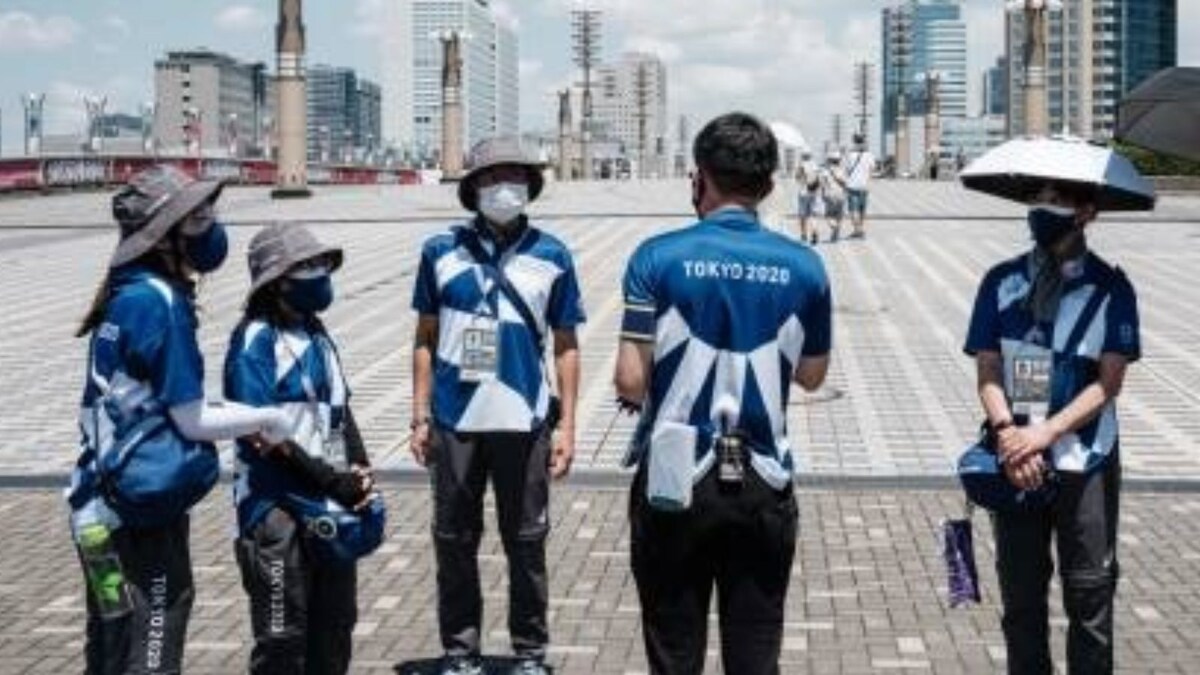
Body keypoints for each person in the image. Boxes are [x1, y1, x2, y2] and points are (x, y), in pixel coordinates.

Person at [614, 112, 832, 674]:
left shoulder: (655, 257)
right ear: (766, 185)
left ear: (700, 178)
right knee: (755, 654)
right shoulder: (806, 267)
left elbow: (630, 380)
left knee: (673, 650)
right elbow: (812, 375)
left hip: (672, 478)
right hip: (764, 479)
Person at [69, 165, 294, 674]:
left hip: (94, 515)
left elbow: (165, 407)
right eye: (195, 218)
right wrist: (268, 417)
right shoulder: (160, 303)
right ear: (162, 236)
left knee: (110, 644)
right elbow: (191, 420)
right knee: (152, 648)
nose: (210, 227)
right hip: (140, 519)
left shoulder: (127, 295)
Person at [410, 136, 586, 675]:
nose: (503, 186)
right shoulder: (440, 251)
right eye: (491, 177)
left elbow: (566, 345)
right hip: (454, 418)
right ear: (472, 188)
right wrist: (419, 416)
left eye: (514, 176)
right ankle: (459, 652)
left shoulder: (552, 254)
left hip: (525, 419)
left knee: (527, 543)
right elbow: (425, 335)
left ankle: (530, 653)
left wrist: (569, 428)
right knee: (453, 541)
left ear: (530, 186)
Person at [964, 182, 1141, 674]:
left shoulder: (1111, 287)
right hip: (1018, 461)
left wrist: (1045, 434)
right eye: (1037, 199)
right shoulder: (1002, 282)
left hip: (1085, 460)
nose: (1044, 210)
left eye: (1058, 201)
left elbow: (1108, 383)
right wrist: (1009, 435)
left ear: (1087, 212)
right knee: (1020, 601)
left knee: (1089, 596)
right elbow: (989, 370)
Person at [225, 223, 378, 674]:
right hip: (275, 508)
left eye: (320, 264)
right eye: (305, 267)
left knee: (335, 628)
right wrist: (331, 480)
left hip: (328, 504)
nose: (318, 274)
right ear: (277, 281)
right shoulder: (255, 339)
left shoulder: (317, 332)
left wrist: (360, 469)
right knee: (283, 637)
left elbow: (339, 408)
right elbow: (258, 434)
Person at [843, 133, 877, 239]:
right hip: (864, 186)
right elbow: (872, 170)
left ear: (854, 142)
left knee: (853, 209)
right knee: (862, 209)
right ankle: (860, 229)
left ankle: (857, 230)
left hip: (852, 185)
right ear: (864, 142)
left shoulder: (850, 155)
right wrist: (868, 181)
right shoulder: (870, 155)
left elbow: (847, 170)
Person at [795, 150, 821, 245]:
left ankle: (803, 235)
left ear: (802, 156)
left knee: (803, 215)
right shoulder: (815, 166)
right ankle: (814, 232)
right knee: (813, 215)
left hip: (803, 193)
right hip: (813, 193)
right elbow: (819, 180)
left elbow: (797, 177)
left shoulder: (801, 166)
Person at [819, 152, 846, 242]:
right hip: (840, 195)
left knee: (828, 215)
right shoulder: (842, 170)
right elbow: (845, 183)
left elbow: (822, 184)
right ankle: (835, 234)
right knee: (839, 215)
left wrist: (822, 194)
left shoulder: (825, 171)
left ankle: (834, 227)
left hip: (829, 194)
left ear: (829, 160)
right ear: (839, 160)